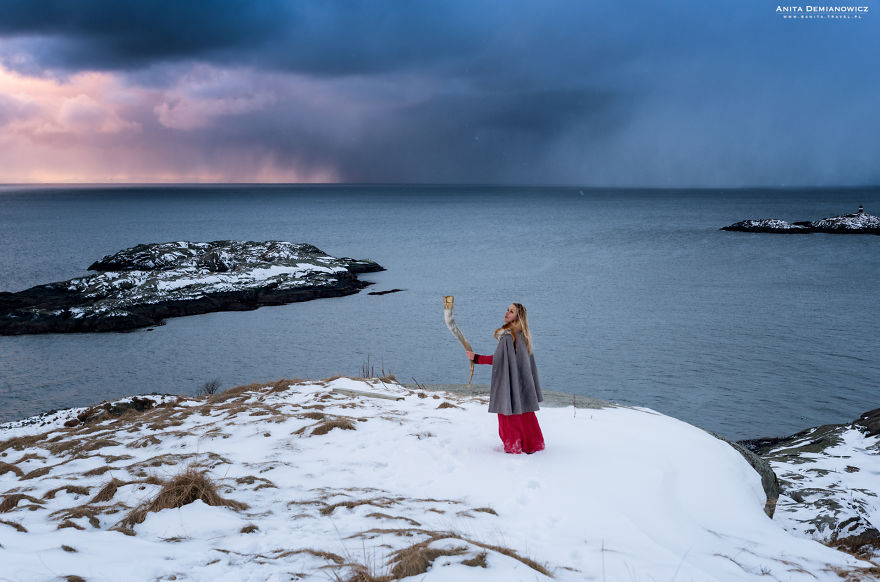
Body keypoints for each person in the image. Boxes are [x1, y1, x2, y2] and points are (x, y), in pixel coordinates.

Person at [466, 303, 545, 454]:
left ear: (518, 316)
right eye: (508, 310)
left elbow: (498, 359)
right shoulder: (524, 336)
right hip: (521, 383)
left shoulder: (509, 336)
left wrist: (476, 358)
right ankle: (533, 445)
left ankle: (513, 446)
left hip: (510, 383)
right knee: (525, 412)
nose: (507, 313)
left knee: (508, 412)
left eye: (512, 311)